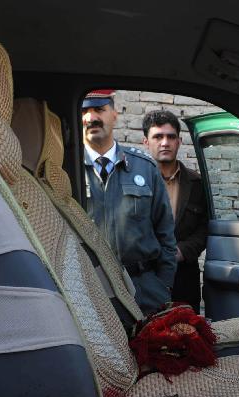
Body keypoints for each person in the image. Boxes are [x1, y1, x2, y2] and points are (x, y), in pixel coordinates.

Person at [81, 89, 177, 314]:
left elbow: (166, 233)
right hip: (90, 291)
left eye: (99, 110)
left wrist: (162, 285)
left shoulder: (144, 167)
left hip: (144, 289)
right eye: (84, 111)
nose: (91, 118)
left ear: (114, 114)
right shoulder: (65, 169)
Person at [142, 110, 209, 314]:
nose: (165, 143)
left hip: (184, 279)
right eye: (158, 137)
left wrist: (182, 251)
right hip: (145, 277)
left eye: (171, 137)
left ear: (179, 141)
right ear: (146, 142)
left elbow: (205, 228)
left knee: (188, 337)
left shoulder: (197, 183)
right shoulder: (135, 181)